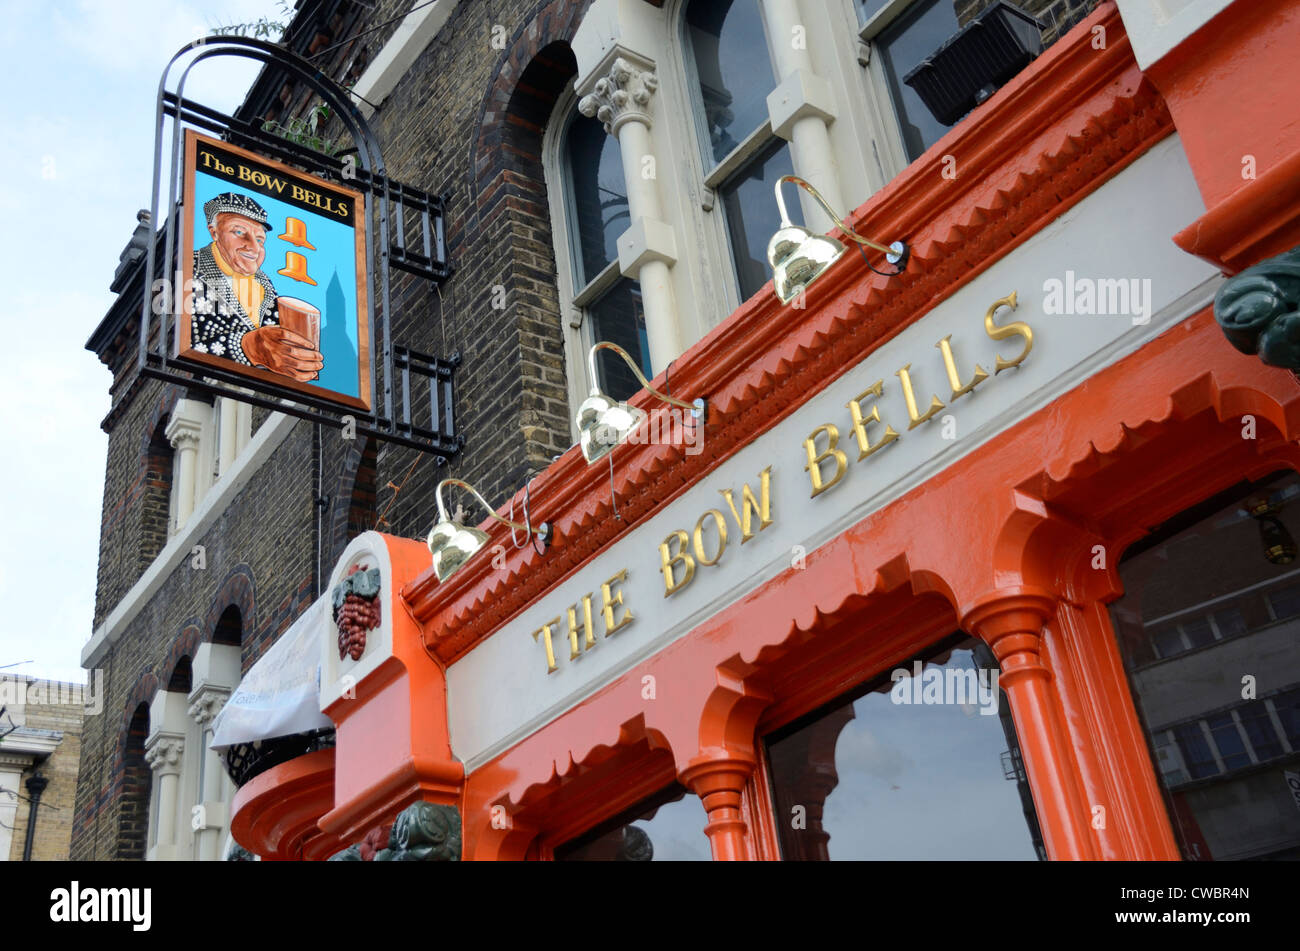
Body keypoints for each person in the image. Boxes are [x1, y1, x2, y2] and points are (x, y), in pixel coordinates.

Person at [191, 192, 322, 381]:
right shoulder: (190, 270)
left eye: (260, 239)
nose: (254, 247)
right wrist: (247, 347)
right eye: (239, 232)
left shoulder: (264, 283)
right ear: (214, 232)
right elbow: (191, 346)